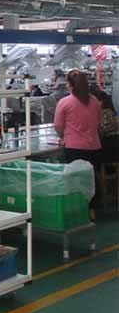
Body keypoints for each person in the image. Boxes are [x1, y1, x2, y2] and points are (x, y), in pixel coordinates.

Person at [54, 70, 102, 218]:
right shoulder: (94, 101)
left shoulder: (64, 102)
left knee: (75, 180)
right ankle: (92, 210)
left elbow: (58, 125)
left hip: (74, 148)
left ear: (70, 85)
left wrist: (62, 136)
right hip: (94, 147)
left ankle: (78, 210)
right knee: (92, 179)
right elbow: (98, 122)